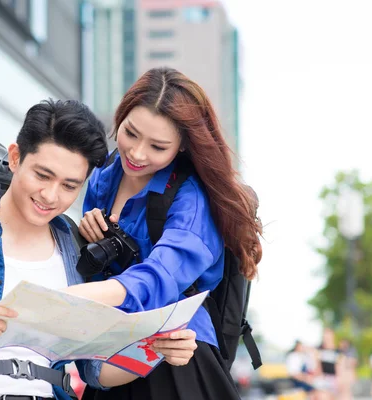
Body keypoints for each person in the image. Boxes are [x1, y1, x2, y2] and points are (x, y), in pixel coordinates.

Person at [0, 99, 198, 400]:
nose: (50, 196)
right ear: (15, 157)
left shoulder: (75, 248)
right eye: (42, 175)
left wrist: (154, 351)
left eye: (69, 186)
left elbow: (93, 370)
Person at [64, 67, 263, 399]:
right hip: (114, 353)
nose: (138, 153)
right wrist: (89, 237)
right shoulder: (103, 177)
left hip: (177, 357)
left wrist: (70, 298)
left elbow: (161, 277)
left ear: (182, 146)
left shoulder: (192, 198)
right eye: (130, 133)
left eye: (158, 146)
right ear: (121, 115)